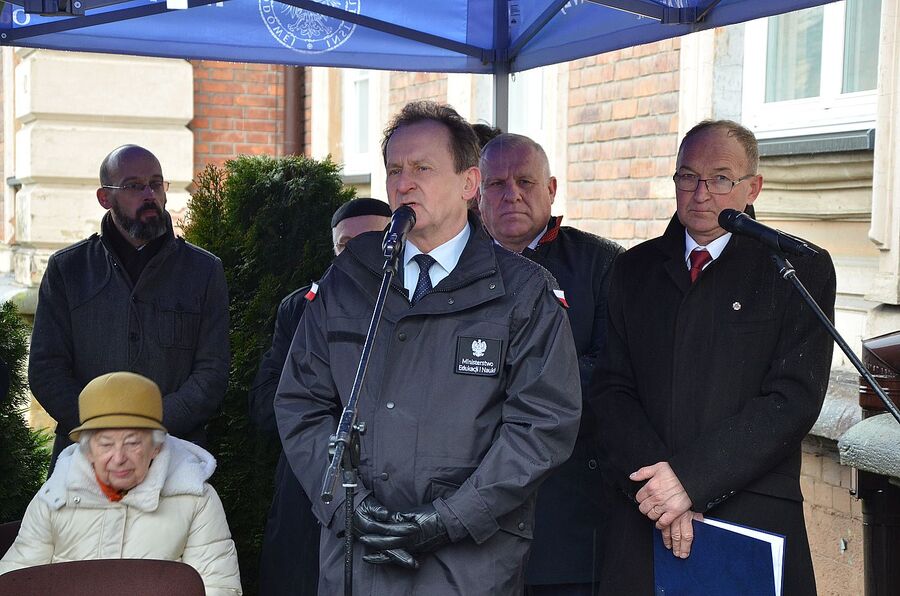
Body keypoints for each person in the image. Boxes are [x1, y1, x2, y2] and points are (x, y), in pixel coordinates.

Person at [275, 100, 582, 595]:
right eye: (394, 170)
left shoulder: (524, 292)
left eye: (422, 168)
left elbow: (541, 427)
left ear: (469, 183)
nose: (404, 184)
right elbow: (300, 403)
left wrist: (448, 519)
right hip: (359, 558)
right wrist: (345, 505)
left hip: (467, 566)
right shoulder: (351, 276)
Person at [591, 120, 836, 595]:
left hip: (749, 512)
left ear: (753, 188)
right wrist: (662, 491)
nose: (701, 193)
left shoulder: (796, 268)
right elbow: (611, 390)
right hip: (645, 509)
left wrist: (692, 480)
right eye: (688, 176)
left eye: (720, 178)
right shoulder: (633, 269)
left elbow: (793, 398)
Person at [479, 133, 623, 594]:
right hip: (470, 515)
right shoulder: (451, 265)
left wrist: (505, 390)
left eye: (525, 181)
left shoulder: (601, 263)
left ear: (552, 188)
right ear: (476, 193)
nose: (511, 194)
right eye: (496, 183)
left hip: (568, 511)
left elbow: (612, 372)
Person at [28, 144, 229, 467]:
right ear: (105, 198)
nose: (149, 194)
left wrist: (149, 429)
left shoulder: (203, 271)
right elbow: (46, 369)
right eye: (134, 186)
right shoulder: (68, 269)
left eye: (156, 184)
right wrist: (102, 432)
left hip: (174, 460)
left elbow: (212, 372)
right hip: (83, 461)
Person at [249, 197, 391, 596]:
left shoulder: (425, 307)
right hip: (307, 490)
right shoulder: (300, 308)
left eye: (372, 241)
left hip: (386, 493)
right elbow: (265, 405)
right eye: (346, 245)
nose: (358, 254)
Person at [0, 371, 242, 595]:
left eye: (133, 443)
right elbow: (16, 578)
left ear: (156, 447)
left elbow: (218, 586)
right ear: (87, 450)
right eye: (105, 444)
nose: (118, 458)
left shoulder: (196, 500)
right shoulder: (54, 496)